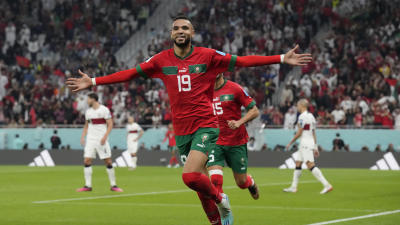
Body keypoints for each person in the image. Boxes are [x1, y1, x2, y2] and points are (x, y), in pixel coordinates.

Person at [67, 15, 312, 225]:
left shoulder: (208, 56)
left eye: (185, 28)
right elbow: (130, 74)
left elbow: (243, 60)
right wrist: (94, 81)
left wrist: (281, 58)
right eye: (176, 28)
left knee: (189, 177)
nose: (180, 31)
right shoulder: (161, 61)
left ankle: (221, 199)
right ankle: (218, 217)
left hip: (206, 125)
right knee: (198, 188)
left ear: (192, 33)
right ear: (171, 34)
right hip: (182, 131)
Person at [208, 73, 260, 202]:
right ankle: (224, 210)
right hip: (214, 141)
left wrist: (239, 122)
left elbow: (254, 110)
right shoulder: (203, 90)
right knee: (215, 180)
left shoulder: (235, 88)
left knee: (241, 182)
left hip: (236, 141)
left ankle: (250, 181)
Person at [284, 99, 333, 194]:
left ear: (301, 106)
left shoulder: (302, 117)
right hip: (308, 143)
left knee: (310, 165)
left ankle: (327, 185)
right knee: (298, 163)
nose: (297, 107)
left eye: (298, 106)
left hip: (305, 143)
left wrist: (290, 142)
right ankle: (293, 187)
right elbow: (313, 133)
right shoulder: (311, 116)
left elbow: (299, 132)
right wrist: (315, 147)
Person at [77, 93, 122, 192]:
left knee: (108, 161)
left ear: (93, 99)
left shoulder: (104, 110)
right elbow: (86, 125)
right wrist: (82, 137)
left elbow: (110, 124)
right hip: (91, 140)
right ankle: (87, 186)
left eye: (88, 99)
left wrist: (105, 136)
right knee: (87, 160)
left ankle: (113, 185)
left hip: (101, 140)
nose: (87, 101)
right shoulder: (88, 112)